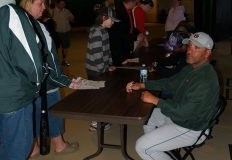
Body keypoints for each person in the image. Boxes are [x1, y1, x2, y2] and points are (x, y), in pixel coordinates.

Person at [126, 32, 219, 160]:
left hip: (190, 127)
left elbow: (185, 112)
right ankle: (158, 150)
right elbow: (170, 83)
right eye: (190, 45)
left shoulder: (205, 81)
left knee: (142, 147)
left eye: (197, 48)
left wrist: (156, 100)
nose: (190, 50)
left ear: (207, 53)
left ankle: (154, 149)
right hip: (178, 115)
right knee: (146, 117)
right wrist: (143, 85)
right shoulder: (191, 68)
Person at [19, 0, 79, 158]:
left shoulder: (18, 25)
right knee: (52, 111)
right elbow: (51, 59)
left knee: (33, 113)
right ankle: (60, 146)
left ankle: (33, 148)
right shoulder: (38, 27)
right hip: (46, 82)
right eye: (39, 4)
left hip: (27, 84)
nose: (44, 7)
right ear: (27, 4)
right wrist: (65, 81)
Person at [0, 0, 45, 159]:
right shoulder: (11, 12)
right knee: (18, 149)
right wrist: (36, 85)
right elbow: (30, 59)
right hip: (14, 96)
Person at [86, 7, 119, 131]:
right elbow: (96, 54)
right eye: (112, 19)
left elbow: (107, 50)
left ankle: (101, 118)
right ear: (104, 18)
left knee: (104, 95)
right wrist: (104, 69)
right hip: (95, 70)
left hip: (102, 68)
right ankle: (94, 123)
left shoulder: (104, 31)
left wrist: (109, 63)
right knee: (97, 97)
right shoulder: (96, 32)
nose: (113, 22)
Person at [108, 0, 144, 66]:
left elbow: (131, 26)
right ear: (130, 3)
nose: (136, 4)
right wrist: (135, 37)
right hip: (121, 47)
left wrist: (138, 33)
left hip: (126, 45)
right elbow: (120, 34)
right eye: (135, 2)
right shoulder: (119, 13)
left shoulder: (128, 11)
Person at [52, 0, 74, 66]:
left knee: (65, 46)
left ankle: (64, 60)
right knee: (55, 47)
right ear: (57, 4)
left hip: (65, 32)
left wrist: (71, 18)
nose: (63, 6)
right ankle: (55, 61)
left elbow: (72, 18)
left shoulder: (67, 11)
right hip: (56, 33)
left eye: (64, 4)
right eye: (61, 4)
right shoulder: (52, 11)